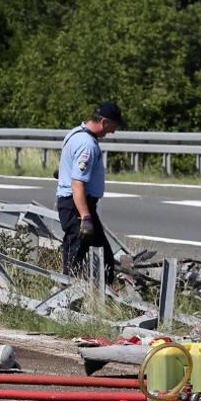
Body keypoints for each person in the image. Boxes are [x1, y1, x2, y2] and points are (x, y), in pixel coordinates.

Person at [56, 102, 124, 280]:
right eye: (113, 127)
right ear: (104, 122)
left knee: (102, 256)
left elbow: (70, 165)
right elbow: (77, 183)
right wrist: (85, 218)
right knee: (76, 251)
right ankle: (66, 294)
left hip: (77, 203)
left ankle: (96, 296)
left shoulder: (75, 133)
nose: (113, 132)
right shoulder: (87, 144)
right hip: (77, 205)